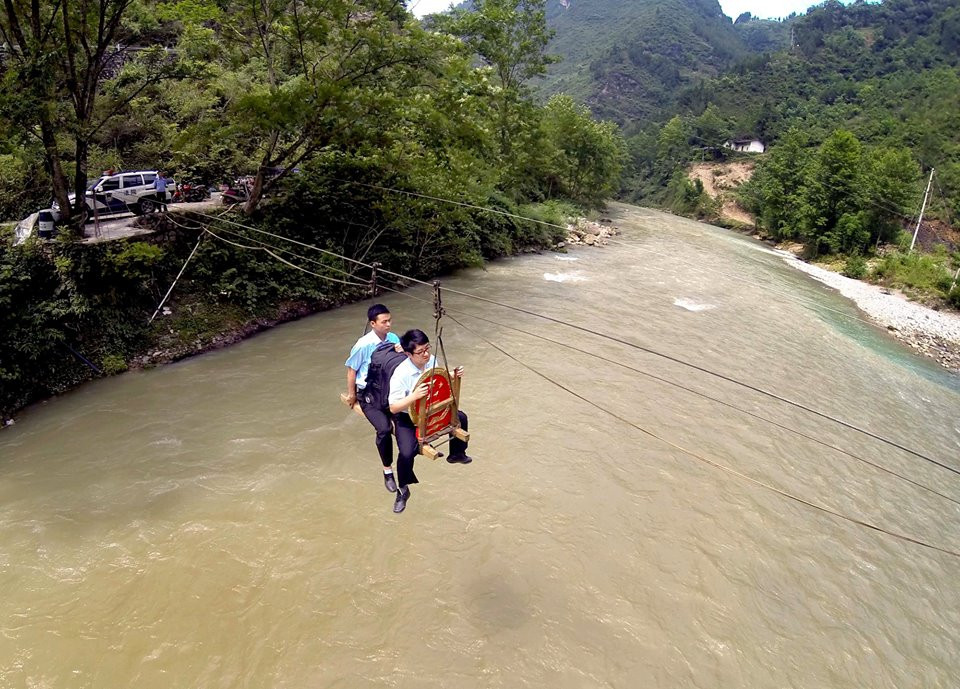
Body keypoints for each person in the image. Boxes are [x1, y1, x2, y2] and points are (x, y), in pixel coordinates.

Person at [387, 329, 471, 514]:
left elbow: (439, 381)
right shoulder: (401, 374)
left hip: (431, 409)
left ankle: (456, 454)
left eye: (427, 348)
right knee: (407, 452)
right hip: (408, 416)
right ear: (409, 354)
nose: (426, 354)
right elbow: (393, 407)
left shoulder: (431, 360)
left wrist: (452, 374)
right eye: (420, 352)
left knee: (461, 418)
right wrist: (414, 396)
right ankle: (403, 489)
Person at [345, 304, 402, 493]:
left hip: (388, 389)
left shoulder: (393, 338)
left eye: (389, 320)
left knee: (405, 418)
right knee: (384, 429)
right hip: (368, 394)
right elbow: (352, 370)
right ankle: (387, 472)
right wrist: (352, 395)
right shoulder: (363, 345)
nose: (388, 324)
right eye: (384, 322)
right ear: (373, 323)